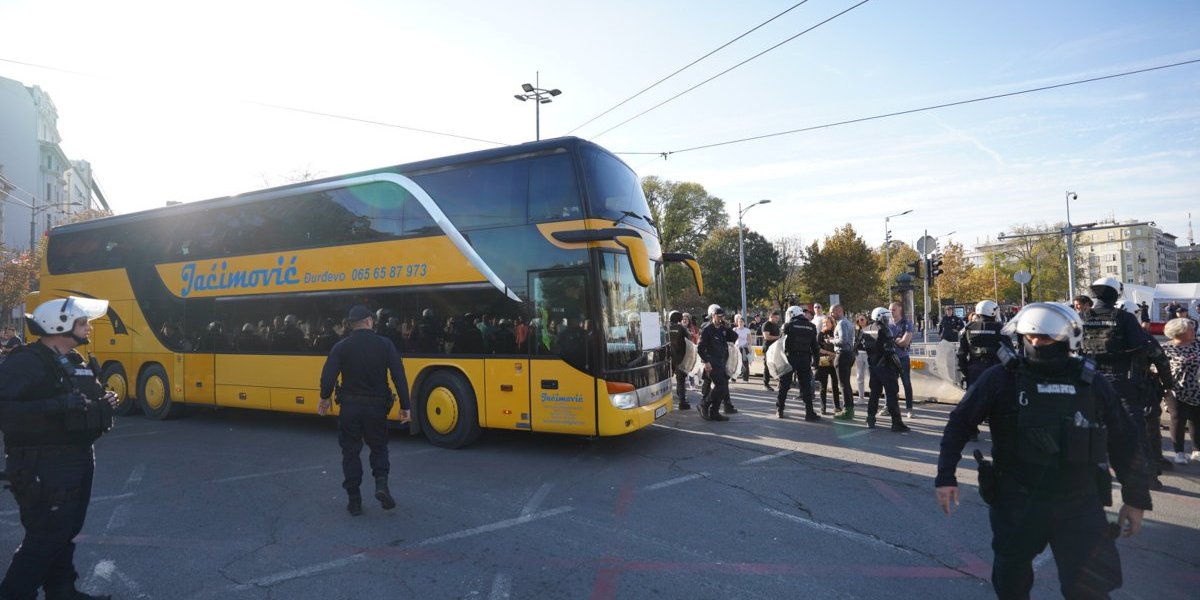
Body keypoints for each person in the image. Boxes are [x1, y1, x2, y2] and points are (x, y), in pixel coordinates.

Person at [934, 302, 1153, 600]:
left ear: (1066, 338)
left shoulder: (1090, 382)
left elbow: (1124, 440)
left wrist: (1136, 498)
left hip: (1079, 503)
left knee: (1089, 590)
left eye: (1045, 338)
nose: (1036, 343)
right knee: (1011, 583)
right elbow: (959, 423)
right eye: (1030, 337)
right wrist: (945, 476)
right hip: (1018, 502)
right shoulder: (1001, 378)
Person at [0, 296, 119, 600]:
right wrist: (56, 405)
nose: (88, 327)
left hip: (75, 456)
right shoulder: (27, 361)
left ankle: (62, 591)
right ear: (60, 326)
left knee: (64, 530)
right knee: (46, 535)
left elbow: (80, 402)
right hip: (42, 463)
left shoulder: (74, 361)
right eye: (82, 323)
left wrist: (103, 404)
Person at [318, 305, 411, 516]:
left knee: (350, 452)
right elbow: (399, 376)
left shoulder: (341, 347)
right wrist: (406, 406)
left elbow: (328, 376)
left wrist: (325, 397)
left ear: (352, 324)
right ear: (369, 321)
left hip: (350, 408)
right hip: (377, 408)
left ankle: (354, 501)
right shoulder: (385, 345)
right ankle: (381, 483)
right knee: (379, 448)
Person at [1079, 277, 1170, 490]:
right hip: (1121, 380)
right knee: (1135, 431)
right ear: (1116, 294)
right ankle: (1147, 477)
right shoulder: (1125, 318)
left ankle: (1089, 475)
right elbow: (1143, 346)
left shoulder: (1081, 317)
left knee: (1088, 428)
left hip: (1088, 379)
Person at [853, 307, 909, 431]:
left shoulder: (865, 330)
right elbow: (891, 352)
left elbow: (856, 346)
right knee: (892, 395)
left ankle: (870, 419)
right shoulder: (885, 330)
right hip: (886, 367)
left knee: (874, 394)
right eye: (885, 317)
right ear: (880, 317)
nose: (888, 319)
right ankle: (896, 423)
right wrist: (900, 368)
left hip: (873, 367)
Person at [1163, 317, 1200, 464]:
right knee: (1178, 418)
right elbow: (1158, 368)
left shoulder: (1197, 344)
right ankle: (1179, 452)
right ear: (1180, 332)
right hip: (1175, 389)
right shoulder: (1166, 348)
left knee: (1197, 419)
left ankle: (1197, 450)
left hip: (1197, 389)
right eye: (1190, 329)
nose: (1193, 331)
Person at [776, 305, 819, 421]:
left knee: (784, 385)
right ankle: (809, 413)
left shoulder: (788, 325)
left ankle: (780, 409)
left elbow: (781, 344)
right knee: (806, 386)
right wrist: (816, 363)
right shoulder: (811, 326)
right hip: (805, 359)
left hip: (790, 358)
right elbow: (815, 347)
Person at [696, 305, 737, 422]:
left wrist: (727, 326)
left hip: (722, 361)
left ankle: (714, 412)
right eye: (718, 317)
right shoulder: (707, 330)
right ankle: (704, 404)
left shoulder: (722, 329)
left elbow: (734, 337)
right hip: (712, 362)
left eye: (722, 316)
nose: (720, 318)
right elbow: (700, 348)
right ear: (713, 316)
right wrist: (706, 362)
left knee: (723, 388)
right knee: (720, 386)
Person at [889, 302, 916, 418]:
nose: (891, 312)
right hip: (890, 358)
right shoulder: (887, 324)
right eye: (889, 310)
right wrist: (897, 340)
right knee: (890, 384)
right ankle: (889, 406)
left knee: (906, 383)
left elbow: (905, 342)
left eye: (893, 309)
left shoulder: (906, 323)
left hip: (902, 358)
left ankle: (909, 408)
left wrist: (892, 340)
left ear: (900, 309)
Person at [829, 305, 856, 417]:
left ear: (839, 311)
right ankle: (850, 408)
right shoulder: (848, 323)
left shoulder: (842, 323)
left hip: (843, 354)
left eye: (832, 312)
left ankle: (847, 410)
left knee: (843, 384)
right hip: (849, 354)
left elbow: (843, 340)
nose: (831, 315)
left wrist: (831, 340)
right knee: (846, 383)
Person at [815, 315, 841, 415]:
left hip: (834, 361)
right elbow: (817, 349)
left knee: (835, 385)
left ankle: (837, 406)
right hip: (824, 361)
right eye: (824, 323)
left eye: (827, 323)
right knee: (823, 386)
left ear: (832, 323)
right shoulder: (820, 334)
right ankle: (823, 407)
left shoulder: (835, 332)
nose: (825, 325)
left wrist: (835, 355)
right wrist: (829, 353)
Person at [668, 310, 691, 411]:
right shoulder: (681, 328)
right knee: (681, 380)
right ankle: (682, 402)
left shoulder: (666, 328)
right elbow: (688, 339)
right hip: (680, 357)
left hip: (668, 358)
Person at [761, 310, 781, 392]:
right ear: (771, 317)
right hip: (768, 348)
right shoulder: (766, 325)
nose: (777, 319)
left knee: (777, 365)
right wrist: (778, 337)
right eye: (776, 318)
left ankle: (779, 382)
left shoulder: (776, 325)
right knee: (767, 366)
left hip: (775, 348)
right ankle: (765, 384)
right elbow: (766, 337)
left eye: (778, 318)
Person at [733, 314, 752, 383]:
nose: (740, 323)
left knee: (745, 363)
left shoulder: (747, 330)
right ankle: (733, 378)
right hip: (736, 348)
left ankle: (745, 379)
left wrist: (749, 348)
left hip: (744, 348)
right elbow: (732, 339)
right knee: (735, 363)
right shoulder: (734, 329)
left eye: (741, 321)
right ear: (737, 322)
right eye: (739, 321)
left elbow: (749, 340)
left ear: (744, 323)